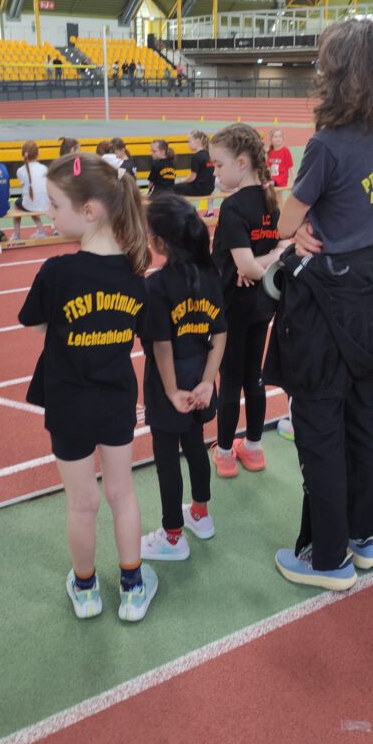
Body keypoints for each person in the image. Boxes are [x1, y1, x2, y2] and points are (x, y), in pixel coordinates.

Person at [266, 19, 373, 591]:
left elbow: (286, 221)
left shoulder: (327, 144)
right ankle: (363, 537)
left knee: (319, 424)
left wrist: (301, 226)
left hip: (330, 305)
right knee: (364, 419)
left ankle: (328, 558)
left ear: (340, 74)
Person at [18, 153, 158, 622]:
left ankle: (86, 589)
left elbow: (37, 325)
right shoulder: (136, 276)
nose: (49, 213)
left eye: (55, 205)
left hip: (68, 403)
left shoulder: (57, 272)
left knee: (81, 503)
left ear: (90, 211)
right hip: (116, 399)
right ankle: (132, 588)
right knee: (122, 494)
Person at [141, 194, 226, 560]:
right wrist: (207, 381)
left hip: (169, 382)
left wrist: (172, 390)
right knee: (195, 446)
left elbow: (161, 345)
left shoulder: (157, 285)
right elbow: (220, 333)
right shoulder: (211, 275)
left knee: (166, 458)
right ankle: (201, 515)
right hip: (199, 376)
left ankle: (173, 537)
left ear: (160, 242)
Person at [210, 123, 286, 478]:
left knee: (230, 379)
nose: (216, 172)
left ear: (241, 163)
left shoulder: (234, 207)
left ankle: (225, 451)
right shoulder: (272, 200)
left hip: (232, 308)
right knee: (253, 375)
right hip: (262, 305)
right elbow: (283, 252)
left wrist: (255, 265)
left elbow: (246, 267)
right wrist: (272, 257)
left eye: (219, 165)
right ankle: (253, 448)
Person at [11, 141, 48, 241]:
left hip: (32, 204)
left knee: (18, 204)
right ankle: (42, 231)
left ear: (23, 155)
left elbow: (25, 187)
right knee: (32, 202)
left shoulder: (20, 170)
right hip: (46, 204)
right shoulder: (44, 168)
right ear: (38, 154)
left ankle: (17, 234)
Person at [175, 131, 215, 198]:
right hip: (209, 189)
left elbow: (192, 178)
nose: (188, 144)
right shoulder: (210, 155)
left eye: (189, 141)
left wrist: (182, 181)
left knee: (173, 187)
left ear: (197, 142)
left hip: (198, 190)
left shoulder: (196, 156)